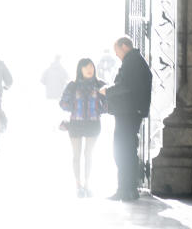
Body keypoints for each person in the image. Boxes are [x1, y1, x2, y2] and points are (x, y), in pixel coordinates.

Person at [100, 36, 151, 202]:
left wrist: (108, 90)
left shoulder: (132, 61)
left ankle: (124, 190)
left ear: (124, 46)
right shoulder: (135, 60)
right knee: (128, 150)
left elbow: (126, 86)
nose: (117, 55)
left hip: (128, 113)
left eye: (117, 51)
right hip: (132, 112)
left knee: (122, 151)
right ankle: (129, 190)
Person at [59, 58, 107, 197]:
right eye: (86, 67)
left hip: (93, 124)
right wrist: (74, 107)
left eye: (91, 66)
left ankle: (87, 185)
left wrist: (99, 109)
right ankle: (78, 185)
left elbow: (108, 103)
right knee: (76, 155)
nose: (89, 69)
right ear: (80, 69)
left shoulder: (100, 85)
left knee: (89, 155)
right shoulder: (72, 86)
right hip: (76, 124)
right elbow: (62, 103)